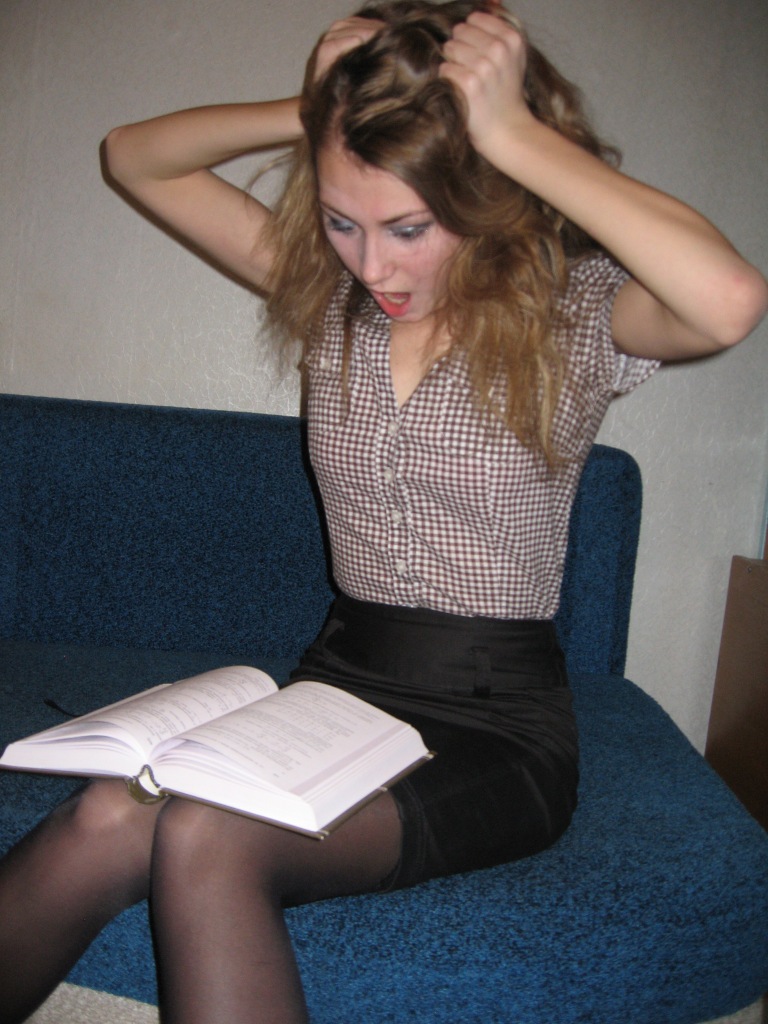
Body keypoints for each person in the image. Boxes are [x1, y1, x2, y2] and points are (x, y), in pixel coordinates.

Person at [0, 2, 765, 1022]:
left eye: (409, 228)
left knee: (207, 833)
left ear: (484, 194)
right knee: (106, 814)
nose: (373, 265)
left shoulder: (568, 317)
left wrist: (510, 132)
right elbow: (132, 157)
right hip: (337, 693)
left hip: (494, 726)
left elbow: (728, 299)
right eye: (341, 221)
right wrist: (317, 109)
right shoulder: (333, 306)